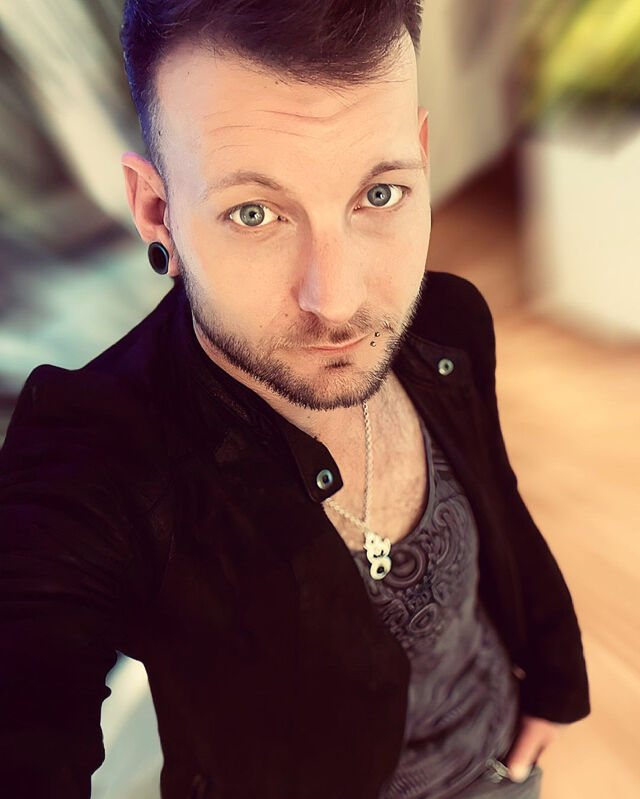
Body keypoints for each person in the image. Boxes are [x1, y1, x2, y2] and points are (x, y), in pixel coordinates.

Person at [0, 1, 590, 798]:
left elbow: (502, 505)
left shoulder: (449, 320)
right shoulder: (92, 452)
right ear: (157, 210)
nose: (337, 299)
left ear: (420, 157)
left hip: (501, 758)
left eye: (379, 194)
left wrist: (554, 680)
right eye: (255, 213)